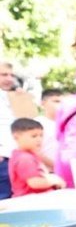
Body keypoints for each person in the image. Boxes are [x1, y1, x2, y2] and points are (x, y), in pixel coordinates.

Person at [8, 117, 66, 196]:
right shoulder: (25, 158)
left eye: (41, 135)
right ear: (16, 137)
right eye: (34, 136)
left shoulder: (27, 155)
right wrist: (53, 181)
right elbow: (34, 182)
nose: (39, 139)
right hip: (31, 199)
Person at [0, 61, 23, 199]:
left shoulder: (12, 96)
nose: (9, 79)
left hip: (17, 157)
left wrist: (21, 99)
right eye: (3, 75)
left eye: (11, 75)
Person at [36, 88, 64, 171]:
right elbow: (34, 151)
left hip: (70, 172)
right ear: (43, 103)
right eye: (56, 101)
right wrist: (57, 167)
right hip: (46, 173)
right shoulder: (37, 123)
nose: (61, 105)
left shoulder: (70, 124)